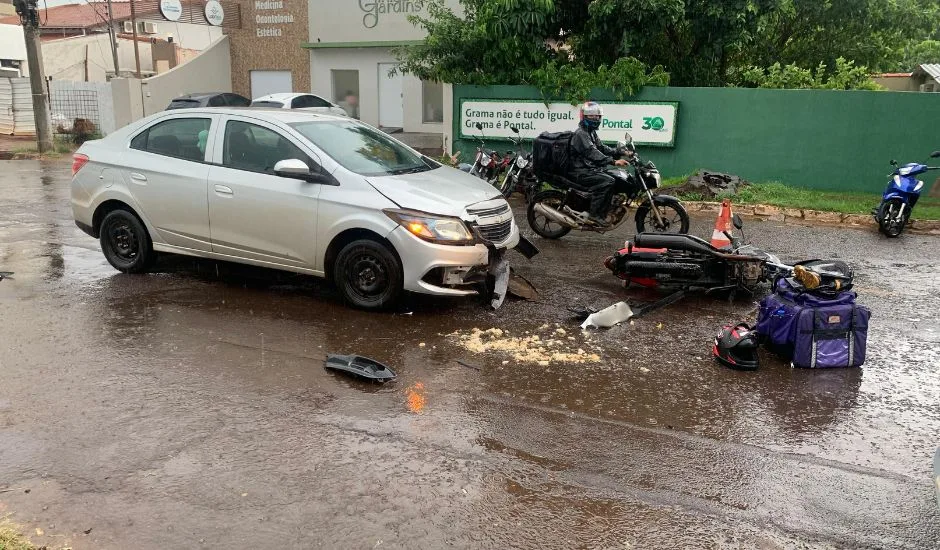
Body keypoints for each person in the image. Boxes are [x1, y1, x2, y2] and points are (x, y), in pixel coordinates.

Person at [569, 101, 629, 226]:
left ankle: (604, 211)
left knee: (613, 178)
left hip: (587, 168)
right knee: (607, 181)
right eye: (592, 116)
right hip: (579, 170)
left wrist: (620, 152)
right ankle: (595, 215)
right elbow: (592, 153)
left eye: (597, 116)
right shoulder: (581, 134)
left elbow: (601, 148)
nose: (596, 118)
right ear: (584, 117)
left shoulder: (590, 132)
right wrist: (613, 161)